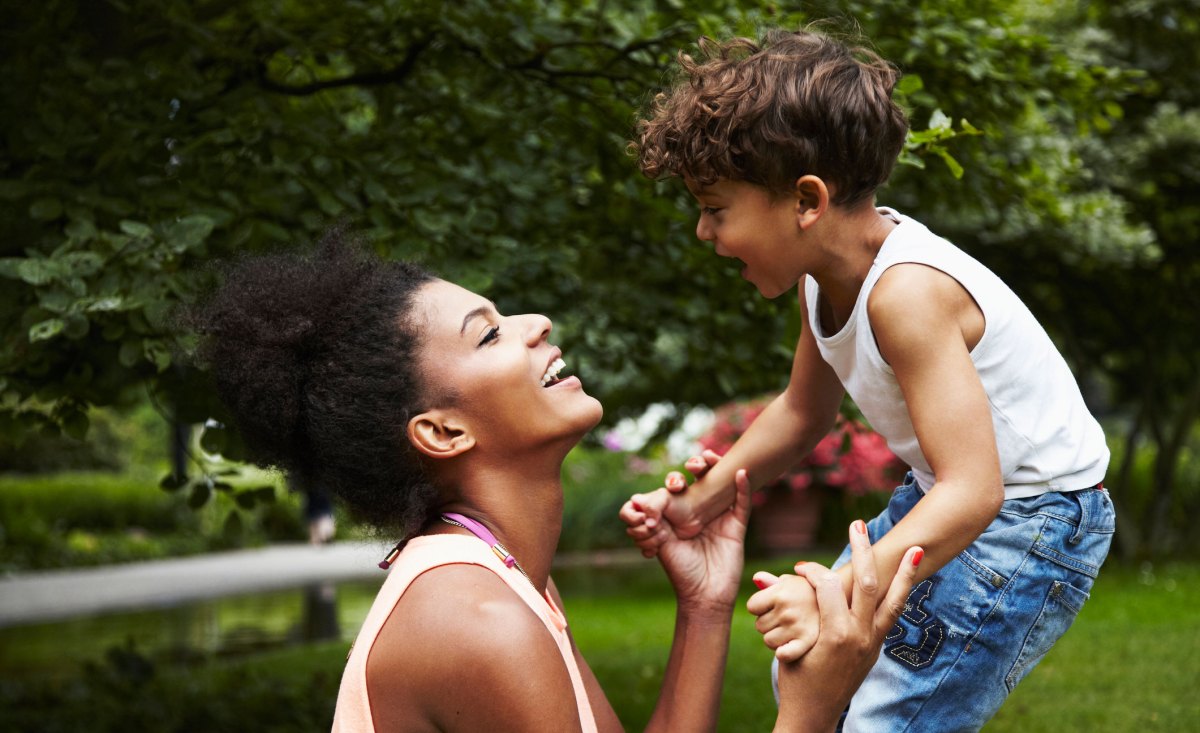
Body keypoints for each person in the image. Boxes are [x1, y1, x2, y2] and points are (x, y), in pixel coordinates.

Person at [189, 234, 920, 732]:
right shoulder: (476, 622)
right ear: (443, 432)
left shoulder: (504, 579)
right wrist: (812, 707)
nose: (535, 322)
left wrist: (703, 606)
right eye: (488, 333)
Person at [621, 27, 1116, 731]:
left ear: (807, 200)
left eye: (715, 209)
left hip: (1031, 521)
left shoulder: (907, 293)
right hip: (947, 498)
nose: (704, 231)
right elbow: (802, 413)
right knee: (807, 666)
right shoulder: (822, 283)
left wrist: (834, 587)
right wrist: (697, 502)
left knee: (887, 718)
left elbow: (976, 489)